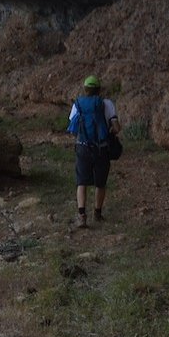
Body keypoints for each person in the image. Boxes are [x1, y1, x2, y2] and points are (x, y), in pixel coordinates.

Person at [67, 75, 120, 228]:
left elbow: (73, 128)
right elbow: (116, 127)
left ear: (85, 89)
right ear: (99, 89)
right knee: (100, 182)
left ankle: (82, 216)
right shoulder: (107, 104)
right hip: (101, 148)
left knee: (81, 182)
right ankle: (97, 213)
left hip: (83, 147)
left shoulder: (78, 104)